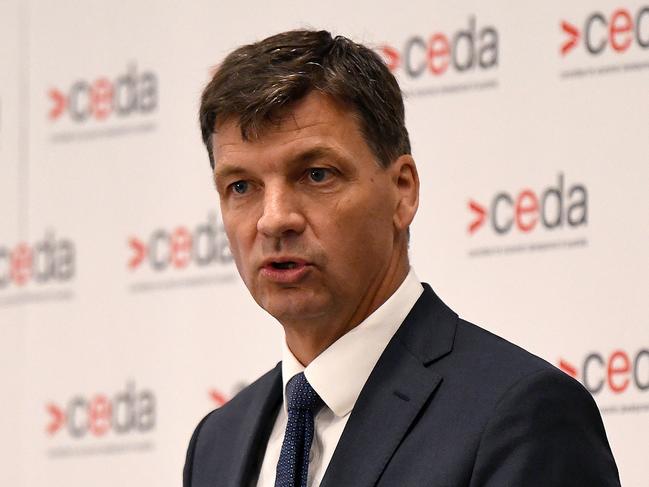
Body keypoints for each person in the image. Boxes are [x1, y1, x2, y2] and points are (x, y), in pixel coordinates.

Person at [183, 29, 620, 487]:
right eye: (241, 186)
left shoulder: (521, 415)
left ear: (402, 191)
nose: (274, 220)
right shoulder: (217, 443)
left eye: (315, 174)